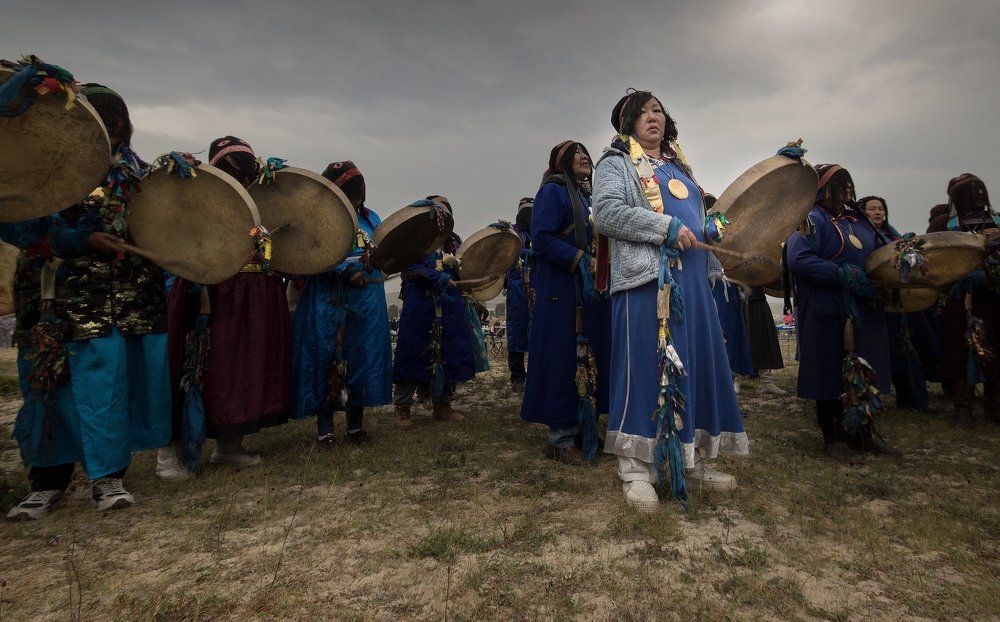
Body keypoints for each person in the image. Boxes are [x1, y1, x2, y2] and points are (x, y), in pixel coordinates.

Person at [3, 84, 170, 520]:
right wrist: (79, 238)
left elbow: (166, 227)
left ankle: (108, 477)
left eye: (113, 126)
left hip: (113, 303)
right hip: (51, 299)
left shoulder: (137, 174)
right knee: (45, 387)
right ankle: (46, 482)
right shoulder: (45, 167)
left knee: (105, 388)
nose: (109, 134)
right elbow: (19, 225)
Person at [593, 91, 746, 512]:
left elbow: (694, 217)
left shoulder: (680, 165)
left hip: (692, 282)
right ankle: (636, 471)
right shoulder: (616, 162)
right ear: (626, 123)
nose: (651, 117)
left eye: (657, 110)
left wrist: (710, 225)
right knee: (645, 369)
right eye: (641, 112)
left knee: (692, 367)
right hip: (648, 282)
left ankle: (689, 461)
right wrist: (666, 226)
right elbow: (606, 213)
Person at [157, 137, 291, 480]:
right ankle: (170, 451)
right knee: (193, 364)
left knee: (242, 369)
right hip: (207, 292)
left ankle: (229, 445)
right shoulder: (197, 191)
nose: (242, 174)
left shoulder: (261, 199)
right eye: (234, 167)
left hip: (253, 296)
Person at [786, 164, 895, 461]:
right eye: (839, 186)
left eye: (849, 185)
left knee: (865, 370)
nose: (847, 191)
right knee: (830, 372)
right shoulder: (811, 219)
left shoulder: (857, 221)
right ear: (822, 189)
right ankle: (834, 438)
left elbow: (882, 254)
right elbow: (799, 260)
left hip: (864, 308)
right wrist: (842, 274)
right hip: (827, 310)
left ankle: (863, 433)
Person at [288, 161, 392, 445]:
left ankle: (355, 425)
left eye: (359, 185)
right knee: (330, 362)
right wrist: (343, 271)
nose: (357, 191)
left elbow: (385, 253)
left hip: (366, 306)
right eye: (349, 186)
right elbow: (306, 257)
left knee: (359, 362)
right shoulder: (316, 220)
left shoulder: (372, 220)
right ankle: (326, 429)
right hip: (329, 303)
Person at [520, 141, 611, 464]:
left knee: (591, 358)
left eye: (586, 153)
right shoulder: (554, 191)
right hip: (561, 292)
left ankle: (584, 427)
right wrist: (578, 257)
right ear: (561, 162)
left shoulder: (588, 198)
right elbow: (541, 240)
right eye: (576, 154)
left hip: (589, 293)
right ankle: (559, 438)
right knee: (563, 360)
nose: (584, 157)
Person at [392, 197, 474, 425]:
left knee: (448, 352)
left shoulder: (455, 243)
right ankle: (402, 407)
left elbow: (466, 268)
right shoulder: (414, 240)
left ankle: (442, 405)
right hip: (420, 305)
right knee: (412, 352)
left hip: (448, 306)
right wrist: (436, 277)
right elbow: (406, 266)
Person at [927, 174, 1000, 426]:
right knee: (957, 353)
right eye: (972, 191)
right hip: (957, 301)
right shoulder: (943, 224)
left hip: (992, 299)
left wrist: (989, 273)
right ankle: (963, 408)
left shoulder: (997, 220)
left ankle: (995, 406)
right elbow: (931, 261)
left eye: (981, 189)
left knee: (995, 351)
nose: (979, 194)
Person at [860, 195, 938, 412]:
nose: (878, 212)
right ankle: (872, 399)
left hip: (896, 303)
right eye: (872, 208)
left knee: (902, 349)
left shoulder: (891, 235)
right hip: (872, 301)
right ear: (862, 211)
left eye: (881, 208)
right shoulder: (859, 235)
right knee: (876, 351)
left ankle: (909, 397)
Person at [704, 194, 754, 394]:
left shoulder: (719, 224)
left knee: (730, 336)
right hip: (712, 287)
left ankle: (730, 382)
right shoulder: (704, 225)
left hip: (726, 288)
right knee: (719, 336)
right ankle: (721, 386)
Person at [504, 197, 533, 389]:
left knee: (537, 331)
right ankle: (517, 376)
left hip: (538, 287)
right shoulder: (512, 233)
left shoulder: (541, 230)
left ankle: (537, 372)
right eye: (525, 212)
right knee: (516, 332)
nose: (529, 216)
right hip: (516, 289)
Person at [744, 286, 787, 396]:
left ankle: (767, 383)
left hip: (757, 301)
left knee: (762, 340)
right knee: (738, 342)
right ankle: (734, 381)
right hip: (739, 302)